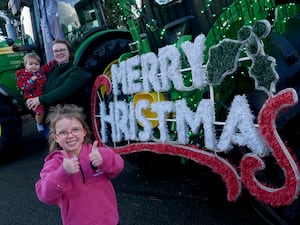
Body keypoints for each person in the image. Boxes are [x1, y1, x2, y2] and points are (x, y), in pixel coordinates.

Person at [35, 104, 124, 225]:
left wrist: (105, 159)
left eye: (75, 129)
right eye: (63, 132)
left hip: (110, 221)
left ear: (84, 132)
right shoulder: (55, 163)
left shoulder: (97, 152)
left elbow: (118, 166)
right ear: (56, 137)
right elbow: (44, 194)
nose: (70, 135)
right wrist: (62, 172)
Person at [26, 39, 88, 126]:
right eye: (56, 51)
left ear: (69, 53)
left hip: (68, 118)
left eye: (62, 50)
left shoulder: (76, 72)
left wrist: (40, 99)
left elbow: (64, 91)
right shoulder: (52, 70)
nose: (59, 53)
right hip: (51, 119)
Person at [16, 52, 55, 131]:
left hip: (42, 94)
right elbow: (24, 88)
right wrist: (31, 81)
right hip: (32, 97)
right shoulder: (23, 75)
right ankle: (39, 123)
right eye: (31, 64)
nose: (34, 66)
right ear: (25, 65)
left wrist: (55, 61)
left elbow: (47, 67)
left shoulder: (40, 71)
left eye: (36, 64)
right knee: (40, 111)